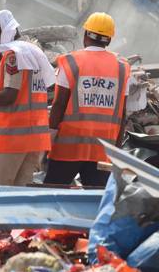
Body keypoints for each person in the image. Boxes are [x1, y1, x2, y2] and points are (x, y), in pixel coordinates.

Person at [46, 13, 131, 187]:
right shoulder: (122, 68)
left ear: (86, 35)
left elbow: (59, 104)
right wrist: (116, 149)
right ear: (108, 40)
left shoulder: (70, 62)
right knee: (96, 200)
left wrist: (49, 138)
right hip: (103, 148)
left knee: (53, 192)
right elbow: (122, 113)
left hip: (68, 147)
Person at [0, 10, 54, 186]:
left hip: (10, 139)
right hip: (33, 138)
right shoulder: (33, 52)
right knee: (20, 195)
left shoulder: (14, 55)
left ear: (4, 30)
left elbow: (9, 95)